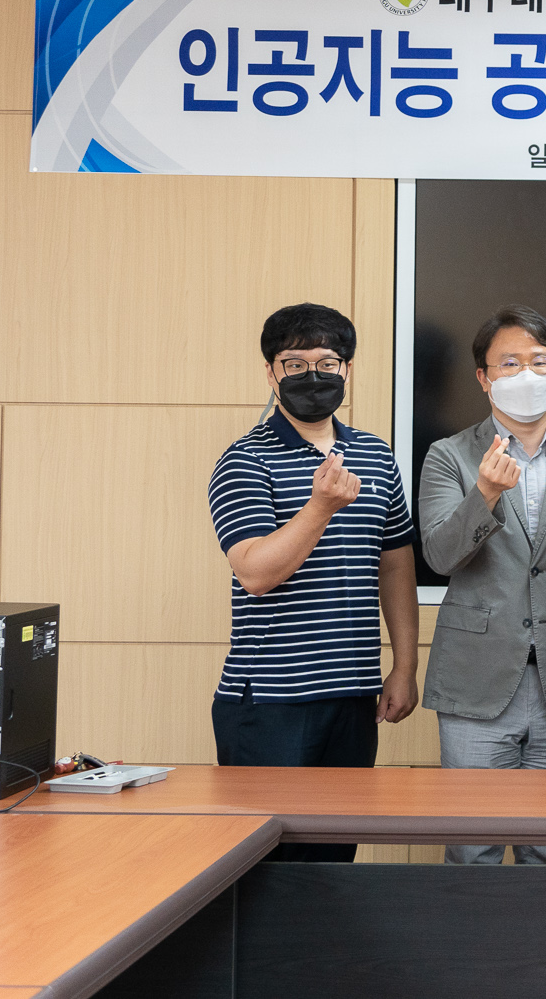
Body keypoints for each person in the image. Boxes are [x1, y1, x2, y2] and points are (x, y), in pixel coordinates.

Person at [207, 302, 419, 863]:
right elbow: (255, 572)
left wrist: (404, 666)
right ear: (271, 373)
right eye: (294, 363)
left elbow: (396, 564)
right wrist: (320, 506)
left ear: (347, 369)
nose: (312, 375)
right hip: (271, 700)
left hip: (353, 694)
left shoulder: (374, 454)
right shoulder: (244, 460)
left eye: (327, 362)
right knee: (265, 866)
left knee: (332, 862)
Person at [418, 305, 546, 866]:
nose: (526, 374)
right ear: (483, 378)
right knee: (471, 848)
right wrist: (483, 495)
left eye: (539, 361)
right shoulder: (449, 455)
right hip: (476, 682)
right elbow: (440, 556)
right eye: (509, 363)